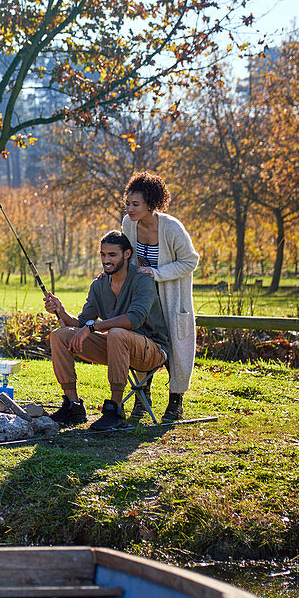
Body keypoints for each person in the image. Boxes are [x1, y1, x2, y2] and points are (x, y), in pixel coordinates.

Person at [44, 231, 170, 431]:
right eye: (103, 255)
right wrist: (61, 311)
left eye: (112, 255)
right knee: (60, 335)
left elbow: (135, 318)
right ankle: (73, 406)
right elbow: (83, 323)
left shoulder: (142, 279)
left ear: (126, 254)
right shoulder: (99, 284)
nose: (106, 260)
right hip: (116, 347)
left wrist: (93, 327)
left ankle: (115, 409)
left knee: (117, 332)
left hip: (151, 350)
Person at [121, 171, 199, 422]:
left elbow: (190, 261)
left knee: (177, 348)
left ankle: (176, 402)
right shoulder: (127, 224)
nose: (130, 209)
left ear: (151, 205)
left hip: (172, 297)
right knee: (142, 343)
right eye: (128, 203)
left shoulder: (172, 228)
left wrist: (157, 273)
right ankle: (143, 398)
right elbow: (127, 257)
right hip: (144, 299)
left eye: (136, 204)